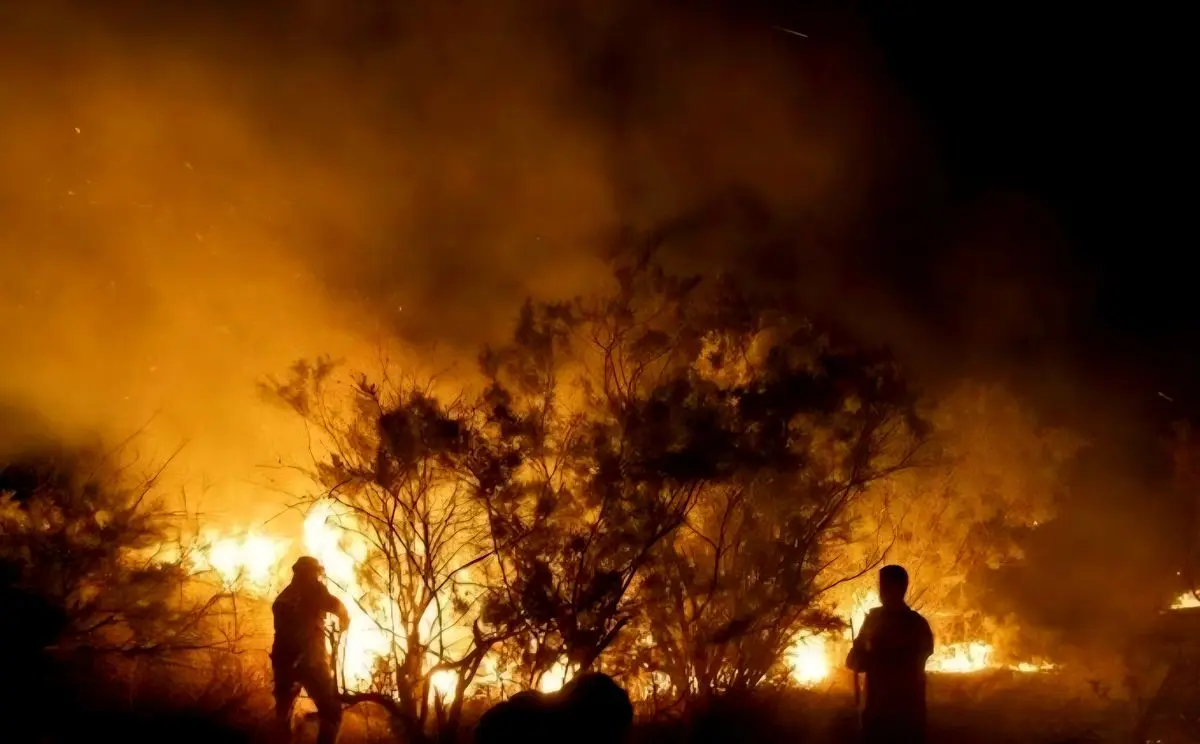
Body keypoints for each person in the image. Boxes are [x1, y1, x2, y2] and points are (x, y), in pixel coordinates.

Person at [846, 565, 934, 744]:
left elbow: (859, 662)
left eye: (885, 586)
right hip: (902, 714)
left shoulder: (878, 622)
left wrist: (869, 652)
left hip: (892, 714)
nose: (881, 591)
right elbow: (854, 662)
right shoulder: (917, 623)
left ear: (897, 588)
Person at [271, 556, 351, 744]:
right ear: (310, 572)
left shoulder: (282, 597)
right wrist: (344, 619)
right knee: (332, 711)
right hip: (309, 660)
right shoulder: (313, 589)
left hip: (282, 661)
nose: (318, 576)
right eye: (316, 572)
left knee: (283, 713)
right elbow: (337, 606)